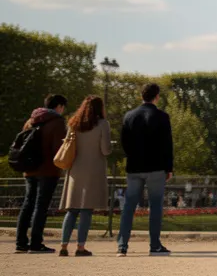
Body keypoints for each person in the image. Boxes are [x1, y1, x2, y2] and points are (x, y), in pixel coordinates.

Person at [116, 83, 174, 256]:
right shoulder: (162, 116)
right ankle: (154, 244)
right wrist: (168, 168)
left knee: (128, 207)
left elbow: (124, 143)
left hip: (134, 167)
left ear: (142, 96)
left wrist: (132, 157)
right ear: (156, 97)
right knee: (155, 207)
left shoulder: (129, 116)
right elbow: (167, 145)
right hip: (156, 167)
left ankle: (122, 245)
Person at [57, 96, 113, 256]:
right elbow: (105, 150)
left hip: (75, 170)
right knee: (86, 211)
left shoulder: (74, 123)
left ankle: (63, 245)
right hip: (93, 170)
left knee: (72, 210)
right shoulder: (103, 124)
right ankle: (80, 247)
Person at [14, 94, 69, 253]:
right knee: (41, 206)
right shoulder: (57, 122)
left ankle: (21, 242)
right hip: (48, 170)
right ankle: (36, 243)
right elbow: (59, 149)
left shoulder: (31, 121)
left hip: (30, 169)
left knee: (27, 204)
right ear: (59, 106)